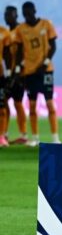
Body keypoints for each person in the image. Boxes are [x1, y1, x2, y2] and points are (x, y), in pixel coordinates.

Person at [14, 2, 60, 146]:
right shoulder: (21, 29)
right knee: (32, 105)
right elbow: (20, 50)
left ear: (34, 10)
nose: (27, 15)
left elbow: (53, 45)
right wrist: (19, 68)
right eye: (24, 13)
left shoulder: (46, 24)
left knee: (49, 103)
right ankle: (35, 138)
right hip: (30, 72)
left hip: (46, 71)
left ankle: (55, 138)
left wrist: (45, 62)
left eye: (29, 12)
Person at [3, 6, 27, 144]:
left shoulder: (22, 30)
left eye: (10, 15)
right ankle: (4, 133)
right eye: (6, 15)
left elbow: (26, 51)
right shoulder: (6, 32)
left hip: (19, 73)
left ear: (16, 15)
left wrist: (19, 70)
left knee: (18, 103)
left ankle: (23, 134)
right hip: (7, 73)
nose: (7, 17)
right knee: (4, 102)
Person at [0, 18, 10, 147]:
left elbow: (7, 54)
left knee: (2, 109)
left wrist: (7, 72)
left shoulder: (3, 32)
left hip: (0, 75)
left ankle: (1, 136)